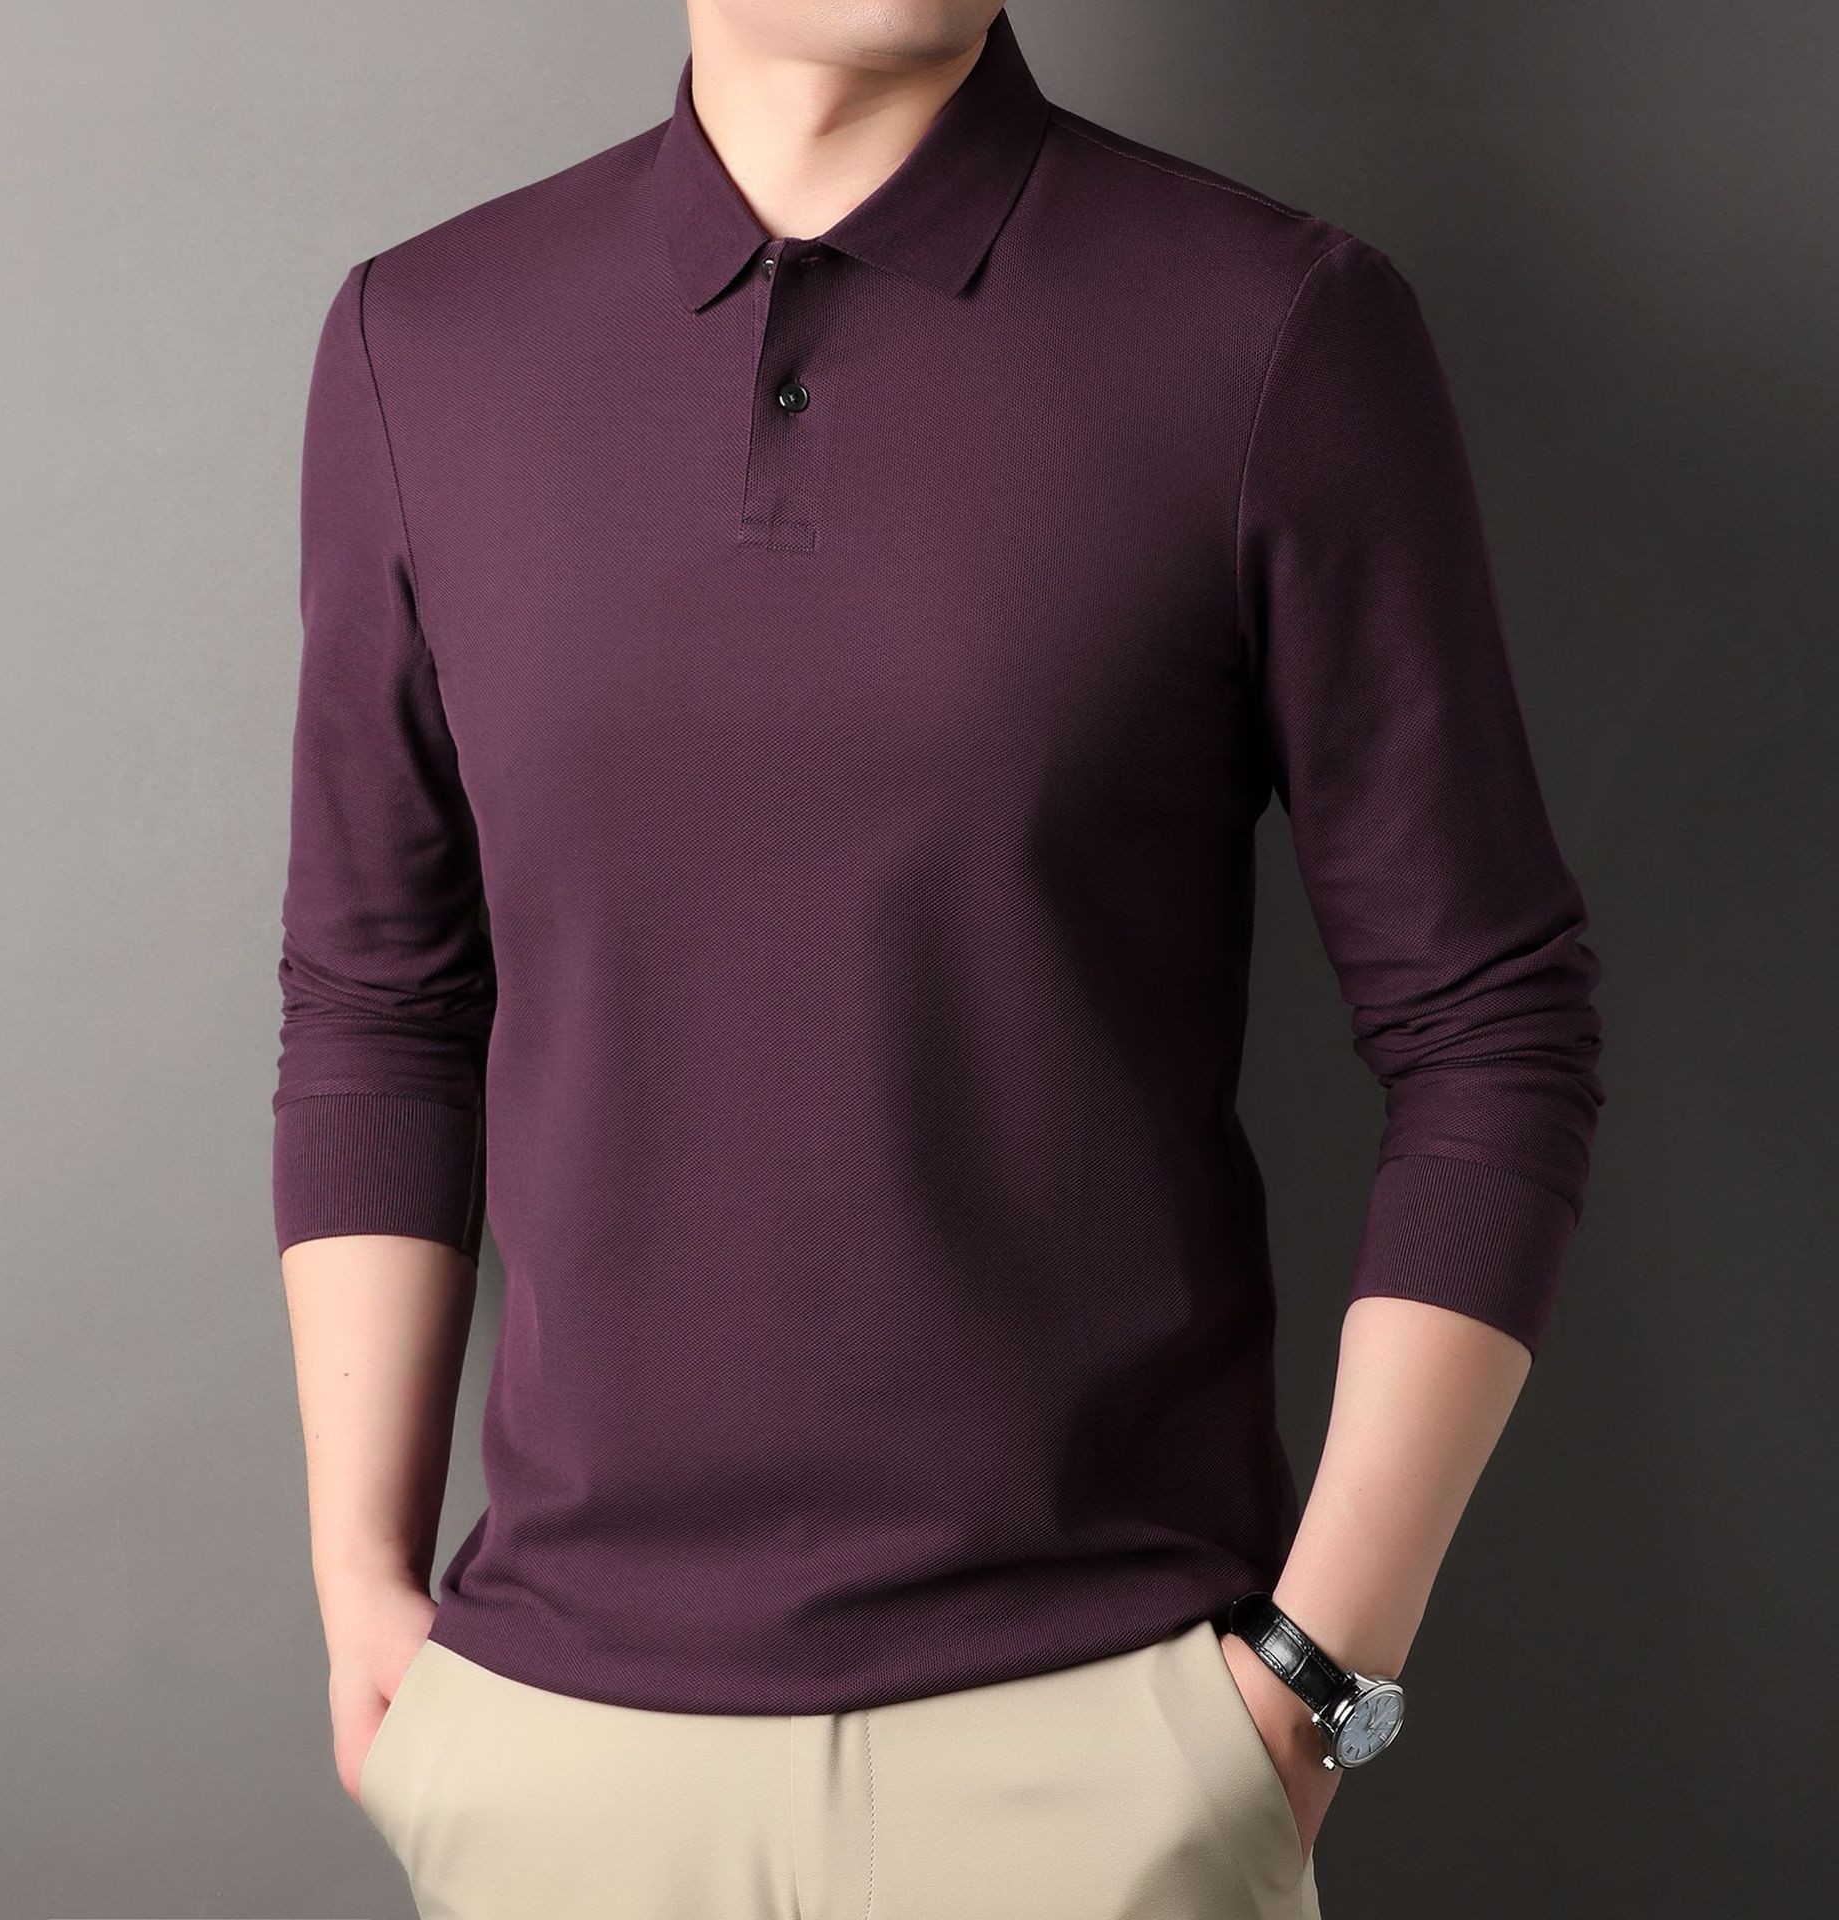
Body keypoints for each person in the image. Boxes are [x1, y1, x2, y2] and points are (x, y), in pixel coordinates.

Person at [271, 5, 1605, 1915]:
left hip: (1103, 1747)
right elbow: (379, 1005)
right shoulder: (424, 340)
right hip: (559, 1748)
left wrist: (1316, 1684)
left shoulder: (1275, 327)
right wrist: (362, 1596)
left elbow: (1490, 1025)